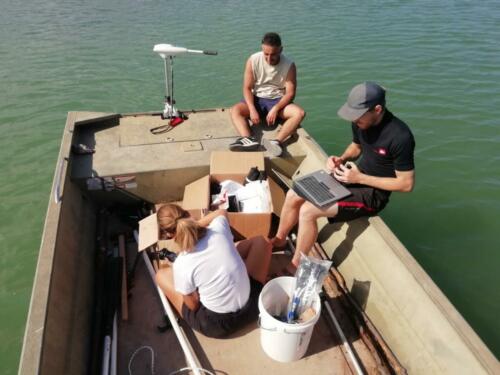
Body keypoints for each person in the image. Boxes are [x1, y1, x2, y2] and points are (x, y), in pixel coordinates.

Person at [270, 82, 415, 274]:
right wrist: (341, 159)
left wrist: (359, 178)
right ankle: (280, 239)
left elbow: (406, 184)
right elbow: (357, 147)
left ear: (377, 109)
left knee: (308, 211)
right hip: (351, 175)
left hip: (371, 193)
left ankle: (294, 265)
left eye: (358, 116)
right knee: (293, 193)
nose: (354, 121)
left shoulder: (400, 136)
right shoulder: (361, 122)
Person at [155, 204, 272, 338]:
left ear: (169, 234)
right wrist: (195, 224)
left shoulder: (182, 264)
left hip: (219, 326)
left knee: (161, 275)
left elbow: (193, 306)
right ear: (187, 214)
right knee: (262, 242)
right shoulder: (219, 229)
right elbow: (221, 212)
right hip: (254, 305)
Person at [229, 32, 305, 157]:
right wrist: (252, 108)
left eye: (273, 54)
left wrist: (276, 108)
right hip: (257, 99)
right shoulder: (253, 60)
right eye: (266, 54)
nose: (269, 59)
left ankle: (276, 142)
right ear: (262, 49)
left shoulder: (289, 65)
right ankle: (248, 139)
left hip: (278, 100)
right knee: (235, 110)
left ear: (281, 49)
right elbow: (247, 88)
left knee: (299, 113)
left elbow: (290, 93)